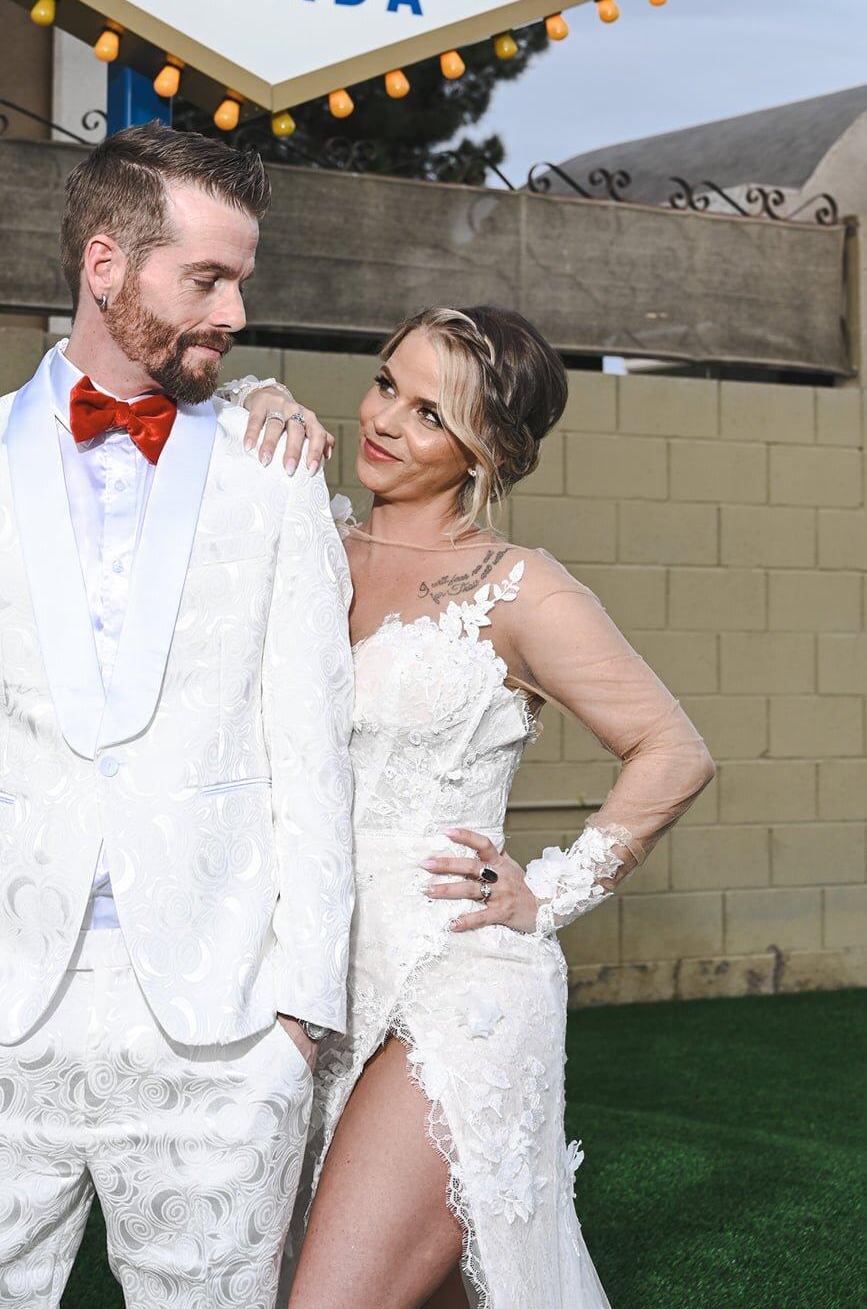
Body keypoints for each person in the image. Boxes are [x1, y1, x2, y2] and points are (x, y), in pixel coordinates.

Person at [0, 122, 355, 1309]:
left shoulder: (277, 471)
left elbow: (312, 747)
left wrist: (300, 1020)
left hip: (224, 1023)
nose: (233, 311)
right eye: (206, 278)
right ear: (104, 264)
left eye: (241, 279)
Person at [232, 308, 716, 1309]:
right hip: (316, 971)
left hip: (456, 981)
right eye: (383, 383)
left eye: (428, 413)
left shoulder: (518, 589)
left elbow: (672, 749)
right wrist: (253, 397)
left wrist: (545, 891)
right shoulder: (302, 532)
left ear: (487, 449)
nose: (383, 420)